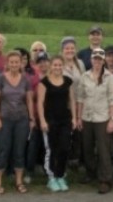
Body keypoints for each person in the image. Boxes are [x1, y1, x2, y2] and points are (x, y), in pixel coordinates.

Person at [0, 51, 36, 194]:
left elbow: (29, 100)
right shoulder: (0, 78)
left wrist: (31, 119)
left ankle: (19, 181)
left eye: (17, 62)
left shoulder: (26, 80)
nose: (14, 64)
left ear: (21, 63)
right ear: (7, 63)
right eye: (11, 62)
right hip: (5, 119)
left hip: (21, 119)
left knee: (19, 151)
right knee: (3, 150)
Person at [77, 48, 113, 194]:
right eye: (95, 58)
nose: (97, 61)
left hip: (102, 118)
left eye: (100, 59)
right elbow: (80, 98)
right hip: (87, 117)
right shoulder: (85, 76)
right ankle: (90, 173)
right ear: (91, 60)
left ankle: (106, 180)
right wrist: (78, 117)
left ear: (103, 60)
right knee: (87, 148)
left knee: (103, 150)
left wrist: (112, 120)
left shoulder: (109, 77)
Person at [38, 56, 77, 192]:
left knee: (65, 148)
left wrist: (74, 118)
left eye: (60, 65)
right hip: (50, 120)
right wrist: (42, 120)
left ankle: (60, 176)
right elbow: (40, 103)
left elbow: (72, 101)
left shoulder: (68, 81)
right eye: (55, 65)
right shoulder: (44, 82)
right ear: (50, 66)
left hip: (65, 120)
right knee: (52, 149)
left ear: (63, 66)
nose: (57, 67)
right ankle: (51, 178)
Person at [15, 48, 42, 184]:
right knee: (18, 144)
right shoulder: (9, 75)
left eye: (25, 59)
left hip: (32, 113)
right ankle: (15, 169)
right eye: (20, 59)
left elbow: (36, 93)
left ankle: (29, 170)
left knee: (31, 144)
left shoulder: (34, 73)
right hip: (16, 113)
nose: (22, 62)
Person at [60, 36, 85, 168]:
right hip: (64, 105)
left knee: (77, 134)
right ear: (62, 50)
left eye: (72, 48)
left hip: (79, 104)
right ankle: (63, 162)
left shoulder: (80, 64)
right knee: (65, 135)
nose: (69, 50)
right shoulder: (58, 64)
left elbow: (84, 83)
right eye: (67, 48)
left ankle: (75, 161)